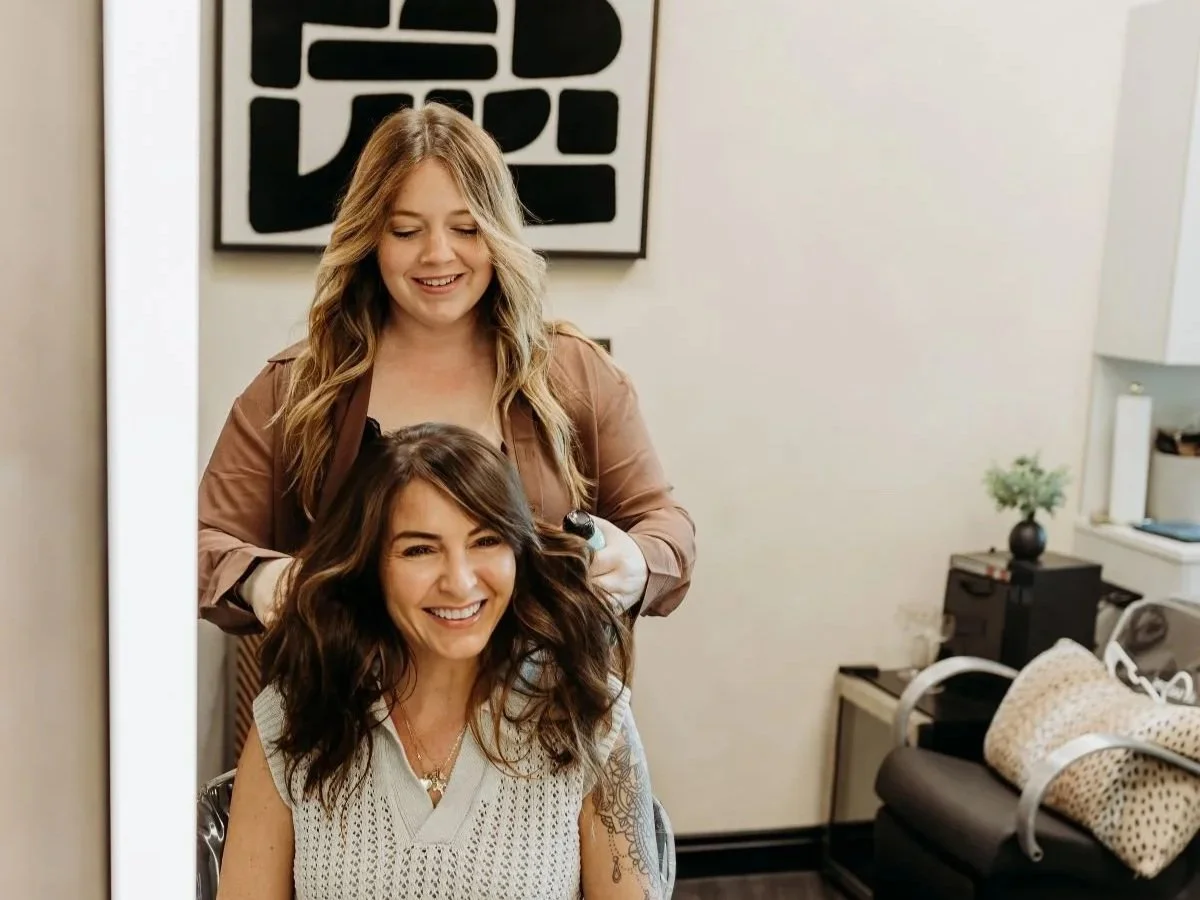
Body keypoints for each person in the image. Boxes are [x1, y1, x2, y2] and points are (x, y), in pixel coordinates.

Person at [198, 102, 696, 759]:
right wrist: (268, 583)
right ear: (371, 236)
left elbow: (666, 529)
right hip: (350, 741)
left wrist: (635, 561)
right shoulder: (299, 389)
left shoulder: (574, 377)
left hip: (537, 740)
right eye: (406, 230)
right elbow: (198, 543)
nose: (438, 255)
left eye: (466, 228)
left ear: (498, 233)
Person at [216, 424, 666, 899]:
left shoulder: (589, 713)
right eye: (420, 550)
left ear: (518, 550)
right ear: (370, 565)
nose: (460, 581)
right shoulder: (293, 717)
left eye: (486, 541)